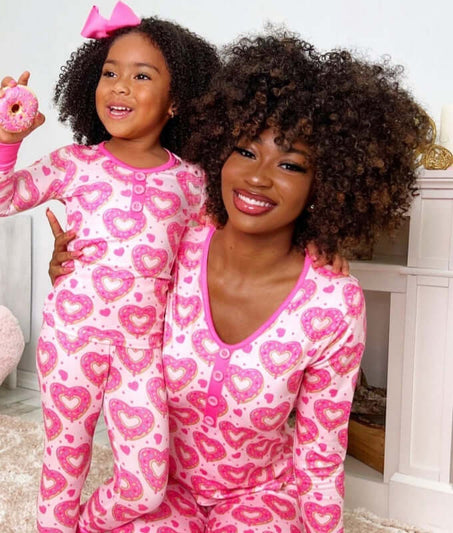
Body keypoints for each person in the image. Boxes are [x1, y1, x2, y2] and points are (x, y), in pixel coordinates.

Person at [48, 30, 432, 532]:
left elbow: (320, 454)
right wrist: (68, 266)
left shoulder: (333, 305)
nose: (258, 177)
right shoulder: (178, 243)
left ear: (328, 185)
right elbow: (111, 284)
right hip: (157, 488)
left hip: (262, 497)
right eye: (245, 152)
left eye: (291, 164)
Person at [0, 3, 220, 532]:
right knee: (64, 461)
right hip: (71, 339)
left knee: (145, 481)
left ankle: (84, 523)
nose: (119, 87)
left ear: (177, 101)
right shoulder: (75, 163)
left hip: (144, 353)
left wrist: (318, 246)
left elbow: (210, 265)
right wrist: (8, 139)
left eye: (141, 76)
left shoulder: (194, 182)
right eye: (110, 73)